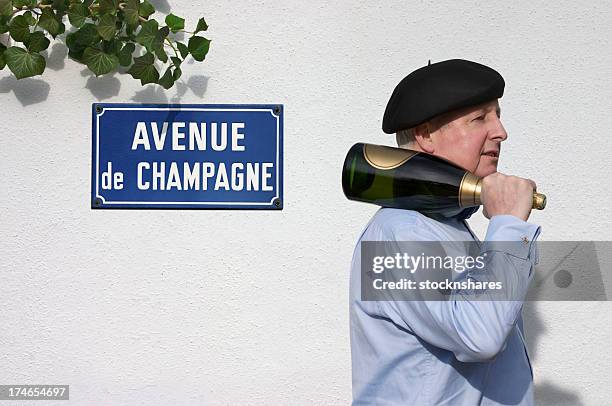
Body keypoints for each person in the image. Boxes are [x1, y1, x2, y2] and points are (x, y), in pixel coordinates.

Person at [349, 59, 542, 405]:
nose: (500, 131)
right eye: (480, 118)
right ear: (425, 136)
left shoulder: (444, 225)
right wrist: (510, 225)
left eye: (497, 114)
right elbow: (480, 335)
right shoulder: (398, 233)